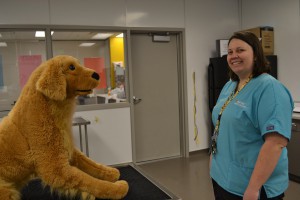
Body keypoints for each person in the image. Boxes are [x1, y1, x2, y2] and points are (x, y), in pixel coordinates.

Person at [209, 31, 294, 200]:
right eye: (230, 52)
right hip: (223, 177)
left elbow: (276, 143)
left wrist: (253, 189)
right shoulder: (230, 85)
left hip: (250, 186)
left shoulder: (269, 89)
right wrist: (213, 158)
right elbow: (221, 123)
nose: (234, 56)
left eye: (240, 50)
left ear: (256, 54)